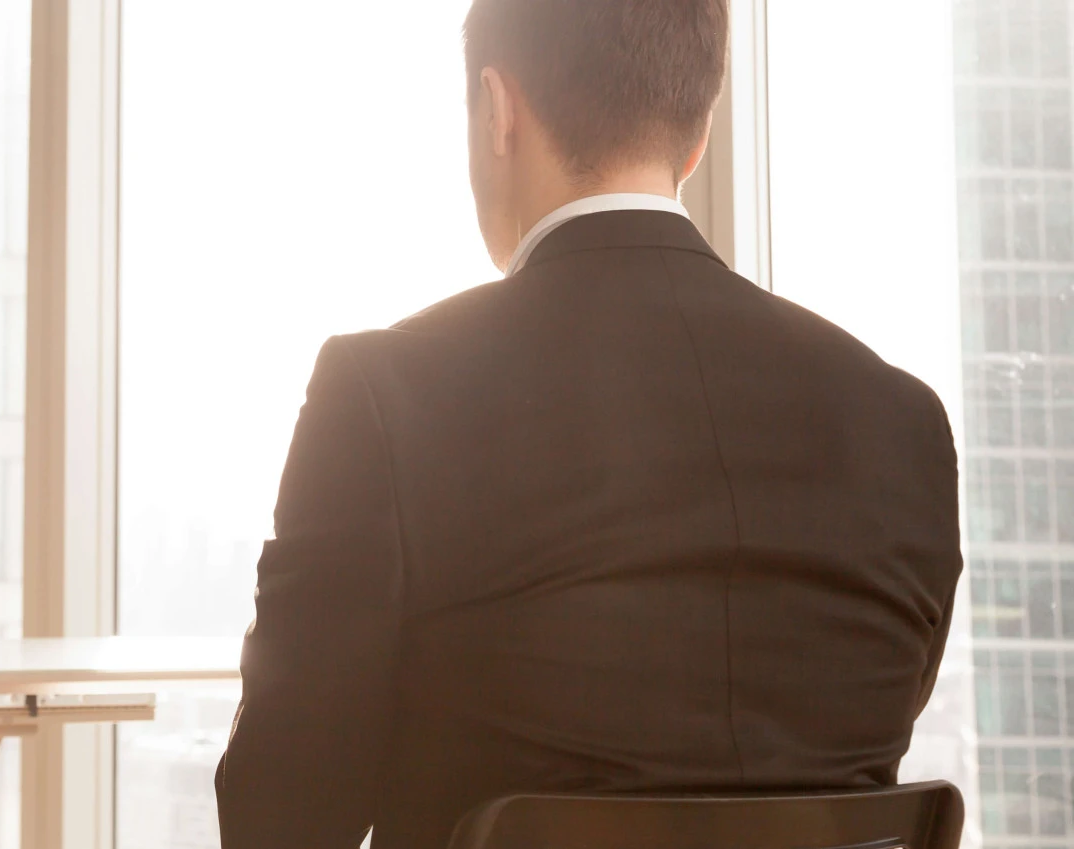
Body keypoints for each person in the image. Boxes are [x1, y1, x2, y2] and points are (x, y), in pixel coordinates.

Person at [213, 1, 963, 846]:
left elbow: (277, 819)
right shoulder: (905, 428)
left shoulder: (386, 397)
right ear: (697, 135)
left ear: (498, 109)